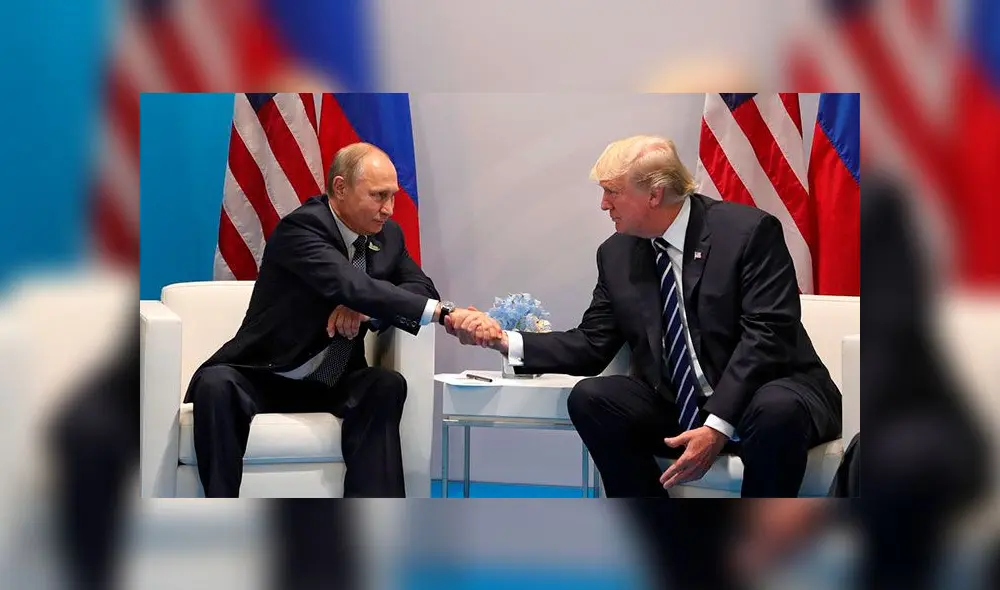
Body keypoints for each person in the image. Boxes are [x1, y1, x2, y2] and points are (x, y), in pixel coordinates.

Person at [448, 135, 841, 498]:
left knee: (776, 412)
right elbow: (591, 344)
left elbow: (767, 336)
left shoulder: (748, 232)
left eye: (612, 192)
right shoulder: (617, 253)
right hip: (681, 403)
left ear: (655, 194)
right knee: (594, 398)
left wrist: (717, 425)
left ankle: (757, 559)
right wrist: (504, 340)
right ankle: (661, 544)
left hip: (768, 390)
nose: (604, 204)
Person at [185, 142, 499, 498]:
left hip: (334, 379)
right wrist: (442, 315)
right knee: (217, 384)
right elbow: (348, 282)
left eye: (393, 196)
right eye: (379, 196)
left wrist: (365, 307)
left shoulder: (388, 235)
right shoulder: (301, 229)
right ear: (340, 188)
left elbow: (419, 285)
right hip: (267, 374)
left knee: (385, 385)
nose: (389, 210)